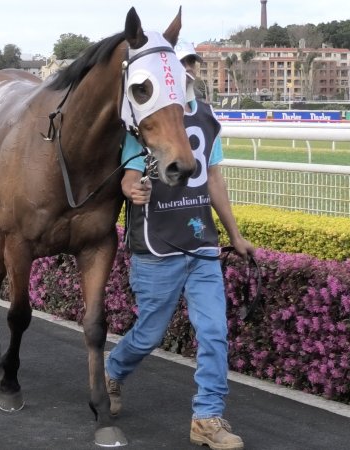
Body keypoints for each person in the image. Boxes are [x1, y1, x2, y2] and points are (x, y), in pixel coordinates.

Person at [105, 40, 255, 450]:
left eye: (191, 62)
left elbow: (213, 180)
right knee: (148, 335)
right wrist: (133, 189)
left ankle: (207, 418)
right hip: (157, 249)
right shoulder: (146, 120)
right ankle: (113, 370)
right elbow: (129, 176)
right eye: (181, 62)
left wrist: (236, 236)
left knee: (213, 332)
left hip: (201, 246)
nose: (188, 69)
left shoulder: (206, 119)